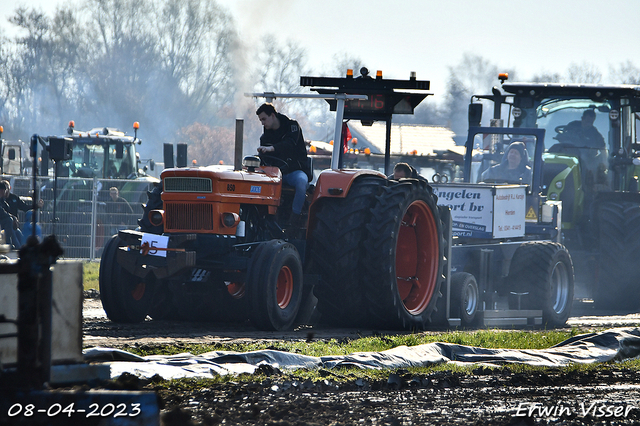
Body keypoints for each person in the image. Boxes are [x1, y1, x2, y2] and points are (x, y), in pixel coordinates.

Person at [256, 103, 311, 227]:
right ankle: (264, 218)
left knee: (301, 182)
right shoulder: (265, 137)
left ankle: (294, 219)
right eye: (260, 120)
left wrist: (271, 149)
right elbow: (264, 158)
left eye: (264, 119)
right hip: (275, 174)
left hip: (294, 171)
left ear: (273, 115)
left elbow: (289, 144)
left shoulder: (292, 127)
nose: (262, 123)